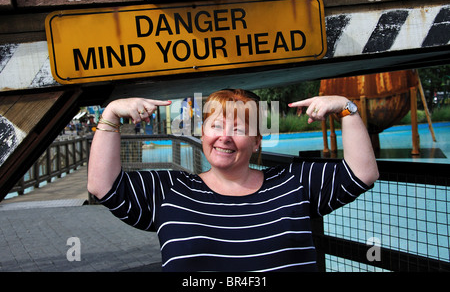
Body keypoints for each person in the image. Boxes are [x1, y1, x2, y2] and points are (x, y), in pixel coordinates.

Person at [87, 89, 379, 272]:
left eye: (238, 129)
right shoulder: (170, 191)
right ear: (203, 134)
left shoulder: (294, 181)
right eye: (215, 125)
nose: (224, 136)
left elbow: (362, 173)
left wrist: (346, 109)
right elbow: (103, 185)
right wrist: (111, 115)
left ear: (256, 143)